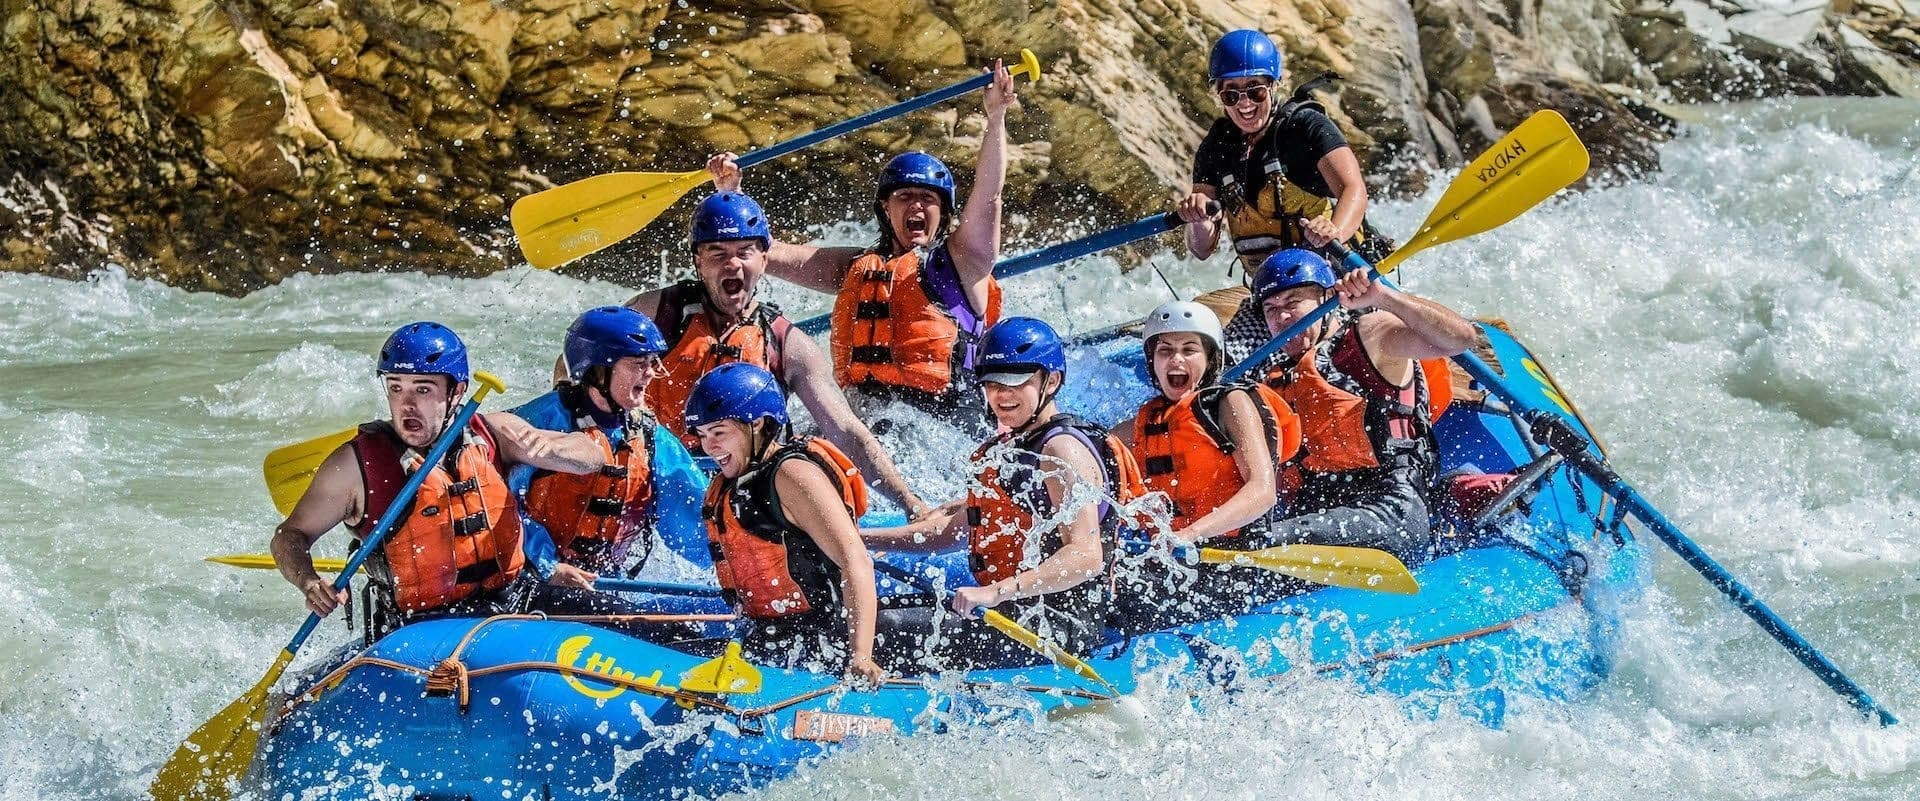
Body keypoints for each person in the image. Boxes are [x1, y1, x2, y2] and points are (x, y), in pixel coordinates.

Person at [702, 59, 1017, 431]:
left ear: (944, 211)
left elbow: (989, 197)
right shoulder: (858, 266)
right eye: (905, 196)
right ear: (886, 207)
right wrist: (732, 196)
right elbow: (762, 253)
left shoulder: (964, 262)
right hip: (863, 420)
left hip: (944, 425)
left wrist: (995, 118)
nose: (916, 205)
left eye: (927, 199)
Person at [270, 322, 607, 637]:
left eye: (423, 389)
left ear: (456, 392)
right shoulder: (356, 466)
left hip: (513, 604)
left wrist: (552, 448)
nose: (407, 404)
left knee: (646, 623)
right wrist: (309, 581)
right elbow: (289, 536)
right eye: (396, 388)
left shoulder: (491, 434)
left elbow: (592, 455)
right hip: (421, 630)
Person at [624, 191, 932, 519]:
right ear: (697, 261)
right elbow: (577, 368)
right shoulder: (654, 315)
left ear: (764, 260)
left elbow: (846, 431)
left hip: (741, 495)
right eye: (717, 253)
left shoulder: (787, 343)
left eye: (745, 252)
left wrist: (910, 503)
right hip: (660, 478)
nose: (732, 264)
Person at [864, 318, 1142, 669]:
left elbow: (1086, 556)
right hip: (1016, 610)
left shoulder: (1063, 451)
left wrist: (995, 591)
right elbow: (948, 533)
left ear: (1051, 381)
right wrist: (860, 540)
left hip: (1059, 628)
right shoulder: (1015, 448)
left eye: (1015, 382)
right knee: (868, 611)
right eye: (992, 383)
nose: (1001, 394)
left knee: (881, 628)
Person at [1174, 29, 1393, 363]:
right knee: (1219, 363)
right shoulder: (1216, 148)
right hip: (1272, 298)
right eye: (1230, 95)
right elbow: (1201, 248)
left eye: (1255, 91)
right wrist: (1198, 218)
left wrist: (1334, 230)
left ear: (1273, 86)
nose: (1244, 103)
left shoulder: (1305, 128)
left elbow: (1354, 190)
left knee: (1347, 357)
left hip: (1340, 283)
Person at [1252, 249, 1474, 562]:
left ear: (1326, 300)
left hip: (1390, 510)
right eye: (1270, 309)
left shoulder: (1369, 335)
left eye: (1293, 303)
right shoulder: (1272, 380)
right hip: (1316, 515)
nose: (1282, 318)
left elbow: (1460, 338)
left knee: (1257, 544)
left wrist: (1384, 298)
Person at [509, 306, 712, 642]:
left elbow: (694, 516)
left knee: (691, 628)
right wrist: (547, 565)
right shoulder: (540, 422)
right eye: (638, 364)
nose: (651, 374)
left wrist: (737, 567)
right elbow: (499, 504)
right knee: (664, 635)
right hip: (534, 582)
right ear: (599, 370)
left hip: (602, 582)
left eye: (651, 363)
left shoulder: (648, 435)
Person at [1110, 301, 1303, 632]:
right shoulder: (1140, 424)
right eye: (1165, 351)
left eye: (1189, 350)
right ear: (1152, 362)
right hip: (1182, 561)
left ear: (1211, 358)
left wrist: (1192, 533)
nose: (1176, 359)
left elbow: (1263, 490)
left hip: (1238, 559)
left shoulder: (1230, 403)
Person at [687, 363, 885, 685]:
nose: (709, 446)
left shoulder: (792, 475)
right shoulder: (732, 482)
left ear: (759, 425)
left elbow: (855, 559)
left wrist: (860, 655)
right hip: (770, 635)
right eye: (703, 434)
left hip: (822, 639)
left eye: (719, 432)